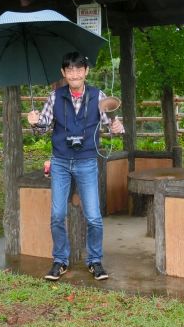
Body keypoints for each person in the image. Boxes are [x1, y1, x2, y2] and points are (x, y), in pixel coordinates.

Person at [27, 51, 124, 281]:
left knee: (93, 216)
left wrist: (117, 127)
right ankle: (60, 260)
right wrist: (35, 122)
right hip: (60, 161)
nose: (74, 74)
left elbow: (111, 125)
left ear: (86, 71)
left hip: (87, 161)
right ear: (63, 72)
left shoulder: (98, 95)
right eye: (69, 70)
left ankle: (95, 261)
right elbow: (42, 129)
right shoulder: (55, 96)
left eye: (79, 69)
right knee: (57, 215)